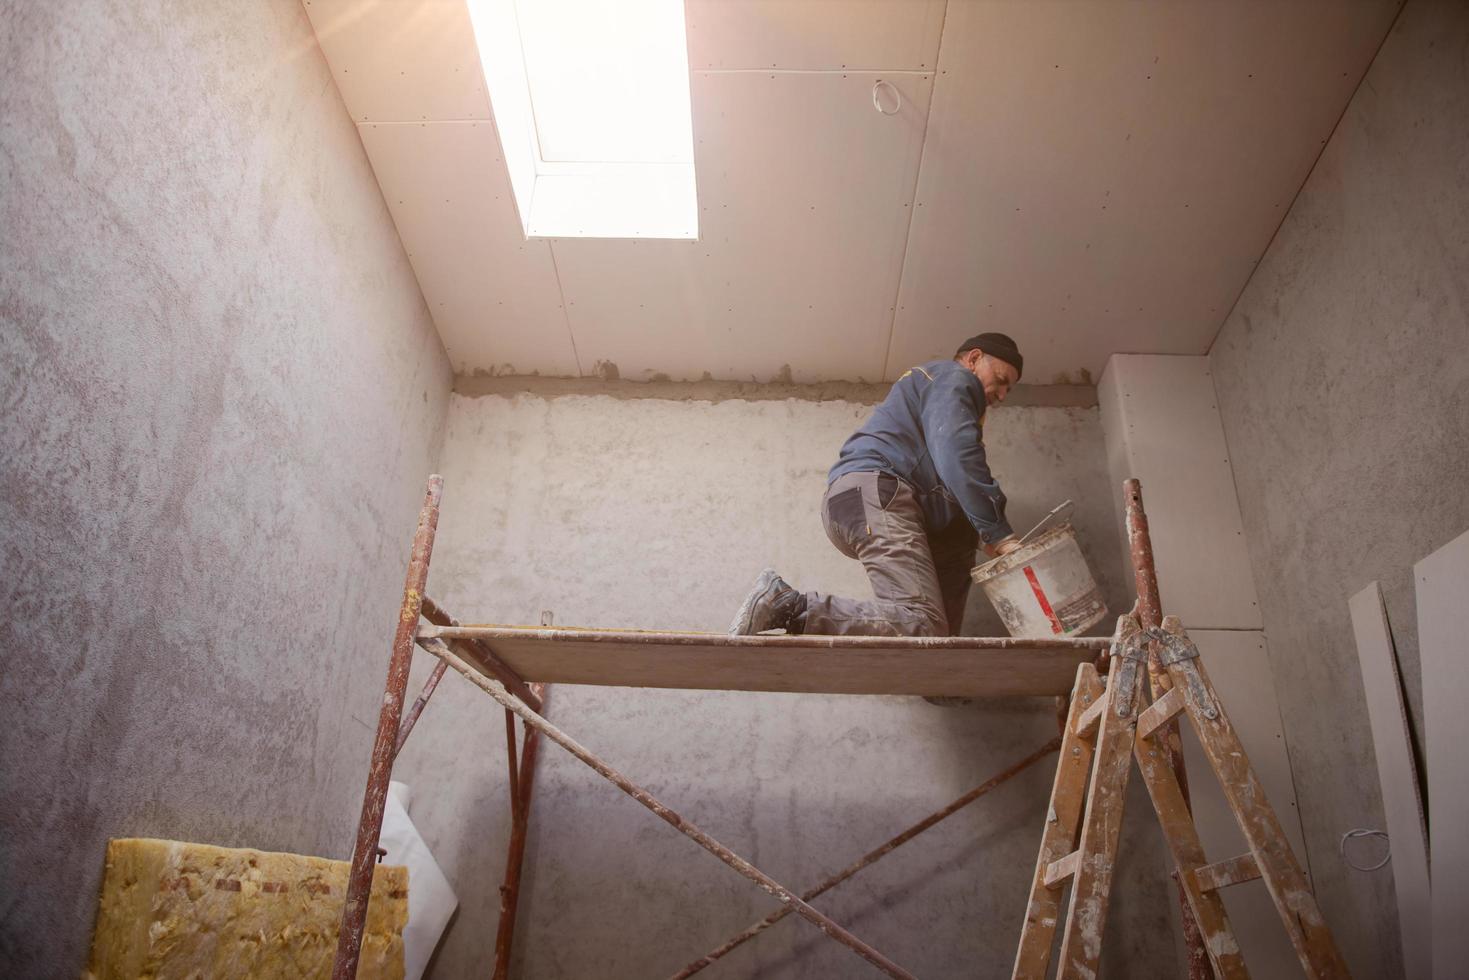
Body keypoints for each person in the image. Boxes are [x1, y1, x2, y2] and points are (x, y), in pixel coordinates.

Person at [729, 333, 1025, 637]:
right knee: (921, 620)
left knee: (930, 631)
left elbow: (950, 481)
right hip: (879, 495)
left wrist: (977, 533)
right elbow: (959, 456)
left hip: (860, 499)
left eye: (1008, 389)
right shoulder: (955, 378)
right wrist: (1000, 535)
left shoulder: (930, 397)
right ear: (973, 359)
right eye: (1001, 380)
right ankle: (789, 605)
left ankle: (924, 663)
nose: (1002, 394)